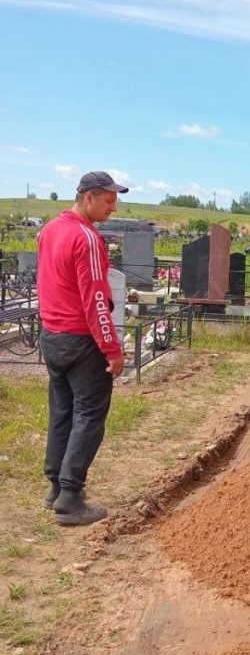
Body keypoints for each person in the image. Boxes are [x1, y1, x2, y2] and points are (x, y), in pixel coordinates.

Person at [37, 171, 128, 525]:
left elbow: (48, 283)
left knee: (62, 412)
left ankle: (54, 488)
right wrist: (111, 348)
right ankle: (70, 497)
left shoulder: (49, 230)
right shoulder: (86, 238)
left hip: (53, 336)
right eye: (108, 200)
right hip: (82, 340)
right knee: (89, 415)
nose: (112, 206)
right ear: (88, 197)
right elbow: (95, 298)